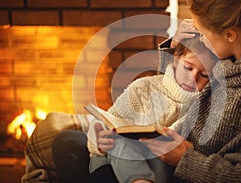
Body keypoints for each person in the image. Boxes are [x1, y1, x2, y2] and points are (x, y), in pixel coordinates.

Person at [138, 0, 241, 182]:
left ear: (229, 34)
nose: (198, 38)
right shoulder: (229, 62)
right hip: (163, 153)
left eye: (202, 33)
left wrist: (185, 159)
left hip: (171, 171)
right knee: (91, 143)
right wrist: (176, 47)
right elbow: (174, 95)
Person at [86, 34, 217, 183]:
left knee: (156, 152)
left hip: (159, 163)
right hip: (113, 158)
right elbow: (109, 120)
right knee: (119, 141)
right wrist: (99, 140)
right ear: (176, 59)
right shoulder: (144, 87)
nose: (193, 78)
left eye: (204, 75)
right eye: (188, 67)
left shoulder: (205, 106)